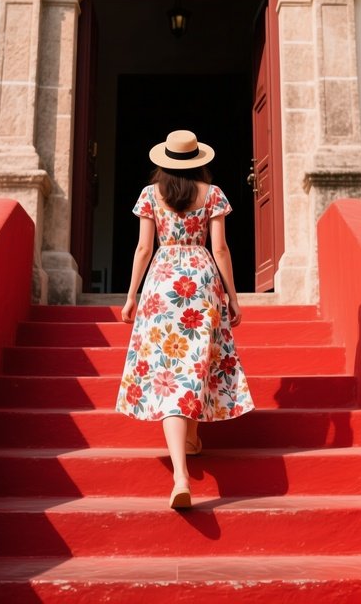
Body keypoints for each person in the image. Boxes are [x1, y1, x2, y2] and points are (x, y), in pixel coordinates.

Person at [115, 129, 255, 509]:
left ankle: (180, 473)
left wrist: (131, 296)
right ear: (198, 159)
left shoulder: (150, 195)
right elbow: (221, 248)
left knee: (168, 369)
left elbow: (144, 248)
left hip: (162, 282)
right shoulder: (212, 195)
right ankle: (189, 443)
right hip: (201, 278)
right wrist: (233, 297)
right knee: (193, 363)